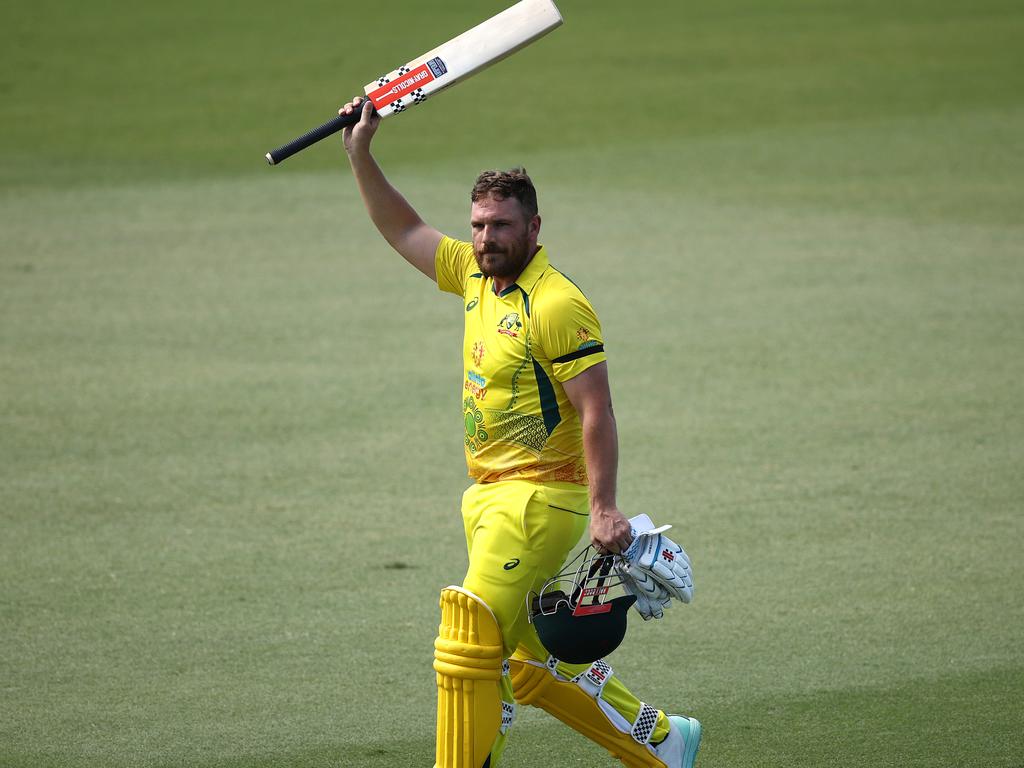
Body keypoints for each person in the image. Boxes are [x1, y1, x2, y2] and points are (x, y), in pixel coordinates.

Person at [340, 96, 701, 768]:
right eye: (478, 224)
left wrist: (603, 506)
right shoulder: (476, 277)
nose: (486, 238)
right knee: (528, 664)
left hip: (541, 499)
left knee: (468, 635)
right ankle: (662, 743)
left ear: (534, 226)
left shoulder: (556, 303)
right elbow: (402, 229)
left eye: (501, 225)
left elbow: (597, 408)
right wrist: (361, 154)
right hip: (488, 498)